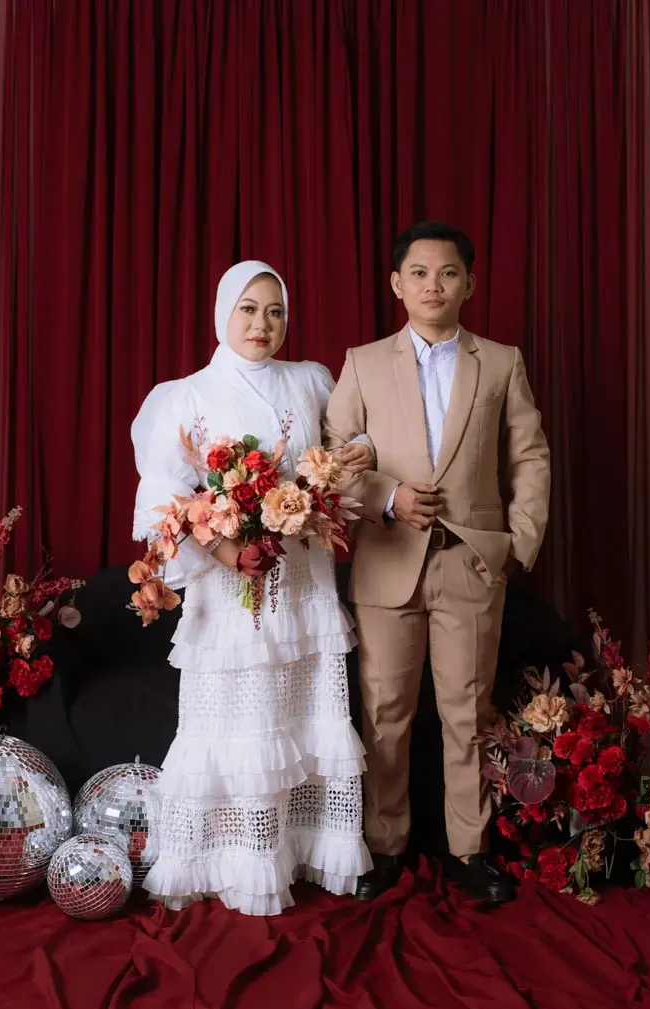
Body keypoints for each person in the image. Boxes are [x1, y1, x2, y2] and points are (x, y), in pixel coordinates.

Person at [131, 260, 373, 915]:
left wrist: (338, 475)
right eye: (248, 308)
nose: (262, 323)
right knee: (241, 719)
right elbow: (165, 499)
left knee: (301, 711)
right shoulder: (188, 396)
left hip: (300, 580)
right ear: (222, 313)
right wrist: (229, 549)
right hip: (229, 587)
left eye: (275, 311)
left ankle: (303, 848)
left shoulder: (312, 380)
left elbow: (345, 452)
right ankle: (238, 857)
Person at [324, 221, 551, 904]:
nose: (433, 285)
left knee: (468, 714)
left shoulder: (501, 362)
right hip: (387, 562)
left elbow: (529, 456)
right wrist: (387, 497)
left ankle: (470, 851)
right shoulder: (363, 363)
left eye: (448, 273)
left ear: (469, 284)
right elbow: (330, 460)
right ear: (397, 284)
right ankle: (384, 846)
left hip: (471, 564)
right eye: (419, 273)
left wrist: (518, 542)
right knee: (384, 714)